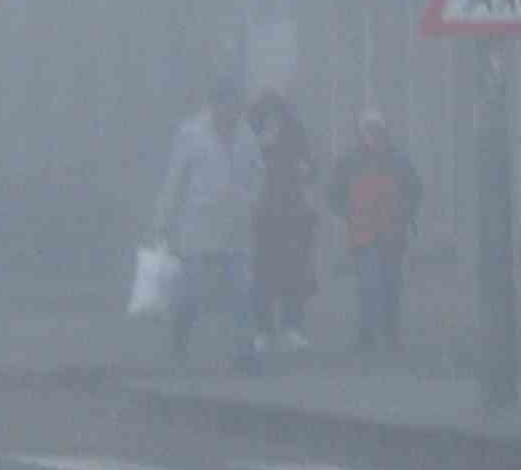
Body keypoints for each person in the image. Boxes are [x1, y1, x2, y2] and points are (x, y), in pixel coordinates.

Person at [153, 75, 265, 372]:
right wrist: (162, 220)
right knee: (193, 289)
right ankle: (180, 337)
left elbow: (258, 171)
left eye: (236, 105)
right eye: (226, 104)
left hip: (235, 225)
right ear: (214, 104)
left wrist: (251, 199)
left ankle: (245, 352)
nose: (231, 111)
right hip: (198, 225)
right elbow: (175, 178)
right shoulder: (191, 133)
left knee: (242, 289)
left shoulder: (246, 134)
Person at [327, 109, 422, 353]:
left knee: (390, 284)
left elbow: (414, 190)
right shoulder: (349, 162)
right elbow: (333, 193)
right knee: (367, 284)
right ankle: (367, 335)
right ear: (360, 133)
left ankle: (390, 334)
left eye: (377, 130)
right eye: (368, 129)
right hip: (362, 234)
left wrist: (405, 215)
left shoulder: (399, 161)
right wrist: (347, 215)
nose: (373, 135)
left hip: (392, 234)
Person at [247, 90, 318, 352]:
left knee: (294, 273)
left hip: (292, 212)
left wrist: (308, 169)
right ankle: (263, 330)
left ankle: (291, 327)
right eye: (269, 113)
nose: (274, 119)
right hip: (262, 213)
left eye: (278, 113)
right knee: (263, 274)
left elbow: (311, 166)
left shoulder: (295, 131)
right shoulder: (249, 134)